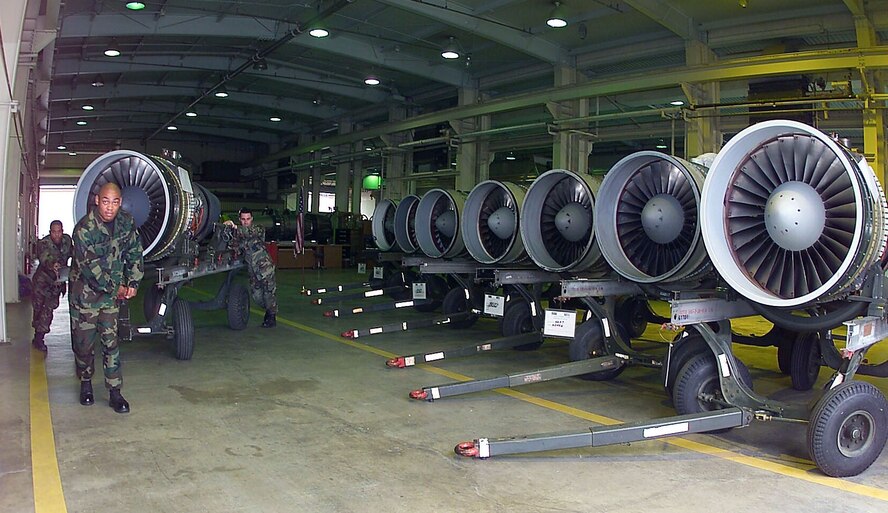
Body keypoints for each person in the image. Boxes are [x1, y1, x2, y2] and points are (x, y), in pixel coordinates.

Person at [69, 183, 144, 413]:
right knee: (84, 345)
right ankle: (85, 383)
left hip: (110, 298)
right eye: (105, 201)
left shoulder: (126, 222)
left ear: (119, 202)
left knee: (111, 343)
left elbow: (134, 251)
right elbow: (91, 269)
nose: (109, 207)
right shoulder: (84, 229)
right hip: (86, 296)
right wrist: (118, 289)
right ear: (96, 200)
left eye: (114, 202)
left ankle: (115, 392)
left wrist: (133, 282)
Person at [224, 208, 277, 328]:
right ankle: (270, 309)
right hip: (252, 270)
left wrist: (234, 227)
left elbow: (248, 232)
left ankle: (271, 316)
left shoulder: (258, 229)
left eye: (248, 219)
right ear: (240, 219)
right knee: (257, 296)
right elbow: (234, 247)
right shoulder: (238, 235)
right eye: (243, 219)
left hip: (265, 268)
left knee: (269, 293)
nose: (246, 221)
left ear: (252, 219)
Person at [31, 220, 74, 353]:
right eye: (54, 232)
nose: (57, 234)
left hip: (56, 283)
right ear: (50, 232)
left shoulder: (67, 241)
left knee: (48, 309)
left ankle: (39, 337)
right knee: (38, 309)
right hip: (42, 282)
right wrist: (53, 264)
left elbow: (75, 253)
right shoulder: (44, 243)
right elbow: (45, 258)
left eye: (59, 231)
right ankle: (37, 330)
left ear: (62, 231)